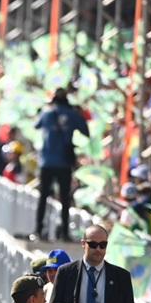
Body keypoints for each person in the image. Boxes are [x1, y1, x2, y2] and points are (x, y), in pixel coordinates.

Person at [33, 88, 88, 241]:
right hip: (64, 163)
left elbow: (35, 125)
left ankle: (38, 230)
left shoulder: (47, 112)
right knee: (65, 198)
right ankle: (65, 232)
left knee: (43, 196)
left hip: (47, 162)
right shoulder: (73, 115)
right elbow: (85, 131)